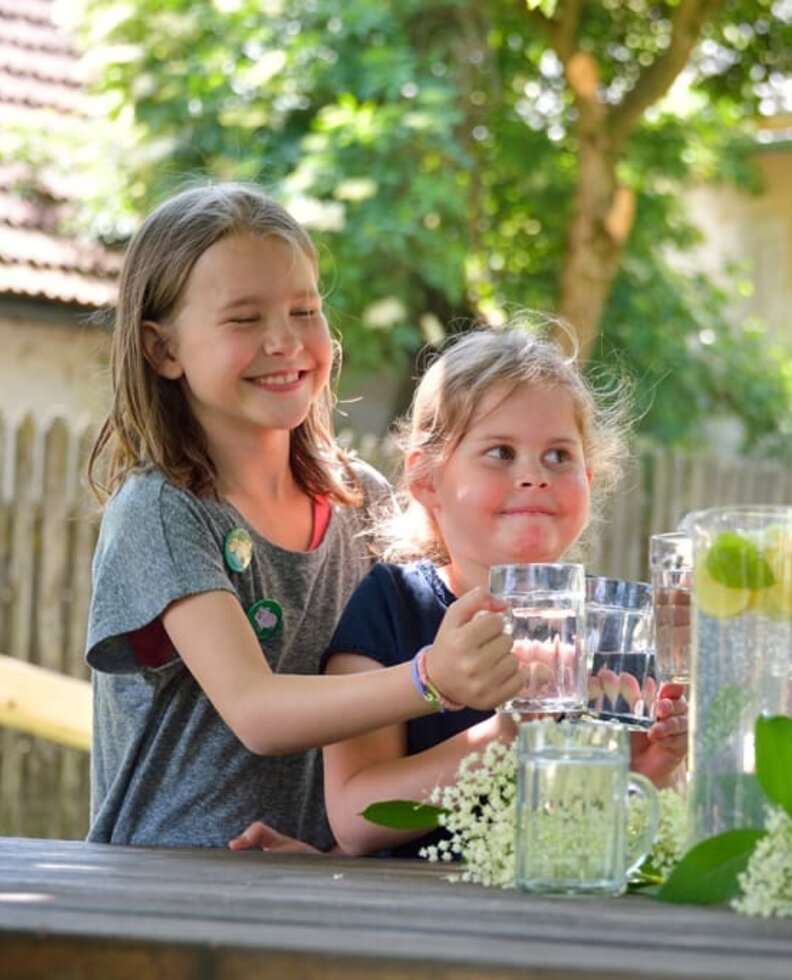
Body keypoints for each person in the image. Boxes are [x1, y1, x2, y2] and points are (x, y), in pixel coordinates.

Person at [85, 183, 522, 849]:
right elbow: (257, 711)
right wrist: (431, 678)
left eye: (304, 310)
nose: (285, 342)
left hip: (310, 887)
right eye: (244, 319)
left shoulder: (365, 502)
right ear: (161, 349)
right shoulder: (162, 513)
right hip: (163, 887)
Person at [234, 324, 688, 856]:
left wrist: (651, 770)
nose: (535, 475)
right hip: (416, 927)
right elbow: (356, 819)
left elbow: (620, 837)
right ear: (427, 481)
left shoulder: (612, 628)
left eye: (559, 456)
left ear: (588, 478)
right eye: (500, 452)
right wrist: (503, 741)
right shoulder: (392, 606)